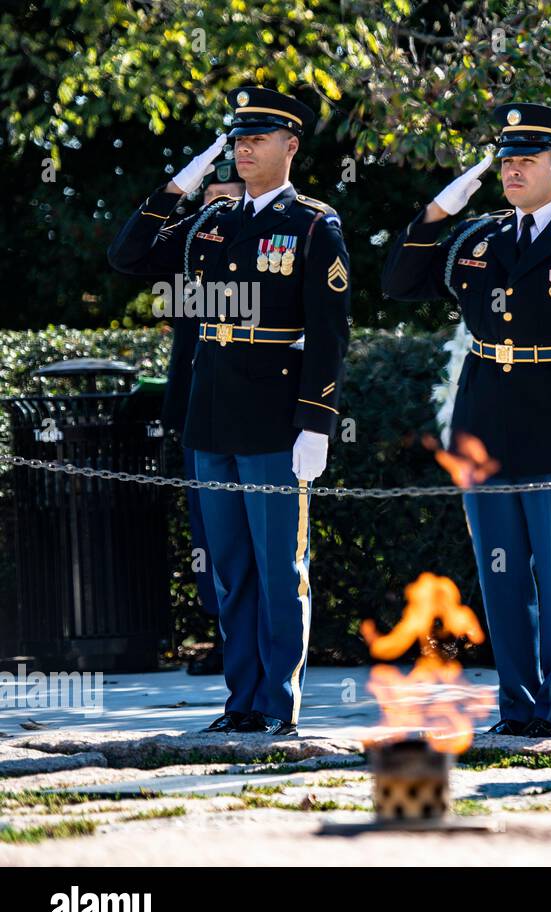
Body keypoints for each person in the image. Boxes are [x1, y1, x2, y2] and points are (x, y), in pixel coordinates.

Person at [382, 103, 551, 740]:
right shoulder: (478, 239)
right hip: (488, 428)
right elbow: (398, 282)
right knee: (502, 578)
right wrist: (436, 214)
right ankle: (517, 708)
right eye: (506, 161)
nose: (512, 171)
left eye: (526, 161)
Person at [109, 87, 351, 736]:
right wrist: (184, 182)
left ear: (290, 147)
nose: (244, 149)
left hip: (274, 416)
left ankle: (278, 707)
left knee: (279, 569)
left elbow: (330, 334)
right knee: (228, 570)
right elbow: (128, 256)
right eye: (237, 139)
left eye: (258, 139)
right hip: (210, 414)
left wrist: (317, 423)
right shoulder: (212, 222)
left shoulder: (312, 224)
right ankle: (241, 703)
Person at [176, 158, 245, 676]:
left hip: (254, 417)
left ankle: (251, 638)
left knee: (256, 536)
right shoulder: (192, 252)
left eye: (226, 199)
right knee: (208, 532)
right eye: (208, 200)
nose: (215, 209)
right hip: (197, 414)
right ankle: (221, 630)